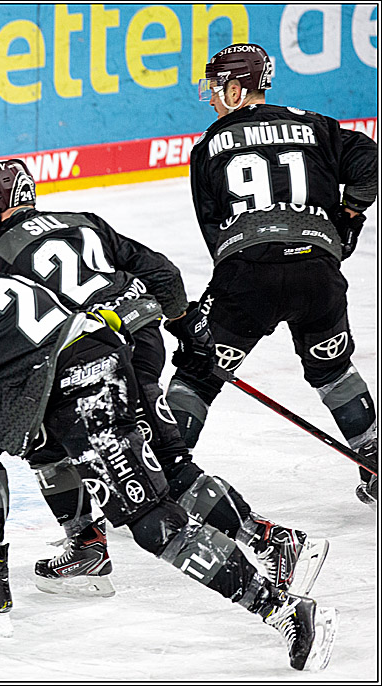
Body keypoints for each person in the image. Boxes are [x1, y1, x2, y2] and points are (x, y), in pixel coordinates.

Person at [0, 233, 337, 670]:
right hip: (100, 361)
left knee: (153, 520)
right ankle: (1, 577)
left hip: (84, 385)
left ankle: (282, 609)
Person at [0, 159, 328, 597]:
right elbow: (163, 275)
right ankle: (89, 541)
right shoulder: (82, 222)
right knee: (127, 452)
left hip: (98, 357)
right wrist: (187, 327)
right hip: (141, 336)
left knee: (118, 454)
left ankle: (268, 540)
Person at [163, 42, 378, 507]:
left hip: (247, 276)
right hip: (318, 274)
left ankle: (164, 480)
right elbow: (369, 162)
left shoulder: (207, 147)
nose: (213, 99)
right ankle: (374, 455)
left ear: (238, 89)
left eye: (218, 89)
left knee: (199, 373)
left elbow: (214, 229)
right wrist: (348, 215)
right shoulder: (317, 126)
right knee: (333, 370)